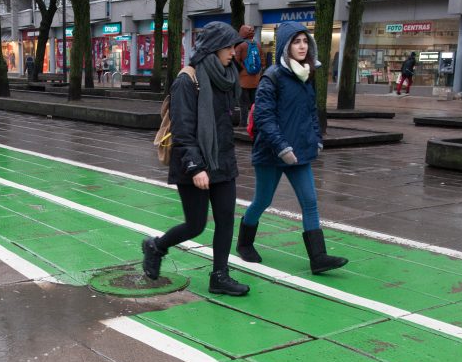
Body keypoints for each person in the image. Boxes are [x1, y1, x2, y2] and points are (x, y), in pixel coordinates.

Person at [141, 21, 250, 297]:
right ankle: (156, 246)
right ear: (214, 48)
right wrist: (196, 167)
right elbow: (182, 130)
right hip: (194, 164)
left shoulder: (226, 77)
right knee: (196, 224)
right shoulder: (186, 81)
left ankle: (219, 276)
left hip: (222, 160)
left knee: (226, 219)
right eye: (228, 47)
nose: (233, 52)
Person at [236, 22, 348, 276]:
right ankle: (244, 243)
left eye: (305, 41)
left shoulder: (307, 75)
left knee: (310, 202)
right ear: (286, 46)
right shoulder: (272, 77)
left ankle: (318, 258)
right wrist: (281, 146)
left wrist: (316, 139)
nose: (301, 46)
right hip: (271, 153)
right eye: (296, 41)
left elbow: (310, 112)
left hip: (299, 153)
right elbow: (264, 117)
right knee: (262, 201)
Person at [233, 24, 262, 113]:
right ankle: (255, 122)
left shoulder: (240, 46)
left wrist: (241, 69)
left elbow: (235, 61)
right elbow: (262, 62)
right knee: (255, 104)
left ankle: (243, 123)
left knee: (243, 104)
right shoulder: (258, 45)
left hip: (243, 81)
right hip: (255, 80)